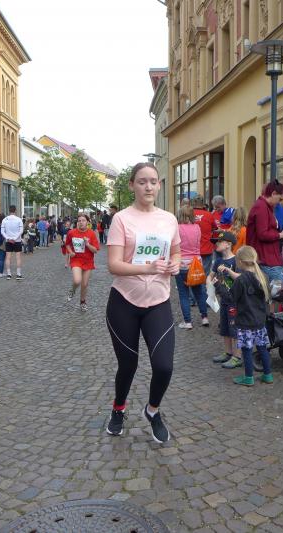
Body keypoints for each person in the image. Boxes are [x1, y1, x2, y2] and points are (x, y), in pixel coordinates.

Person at [104, 162, 180, 443]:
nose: (148, 187)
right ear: (132, 185)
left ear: (159, 185)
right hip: (124, 303)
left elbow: (176, 251)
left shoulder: (169, 219)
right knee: (128, 365)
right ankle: (118, 408)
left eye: (153, 181)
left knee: (164, 366)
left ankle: (152, 410)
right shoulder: (122, 219)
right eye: (142, 181)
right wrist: (148, 268)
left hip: (158, 301)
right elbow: (113, 265)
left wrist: (174, 264)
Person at [217, 245, 274, 386]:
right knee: (262, 349)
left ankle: (248, 378)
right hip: (260, 320)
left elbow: (231, 298)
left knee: (247, 350)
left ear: (240, 262)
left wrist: (219, 286)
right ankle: (268, 375)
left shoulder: (241, 280)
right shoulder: (263, 277)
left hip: (245, 321)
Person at [246, 181, 283, 289]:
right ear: (273, 193)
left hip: (268, 258)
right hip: (266, 259)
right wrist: (280, 235)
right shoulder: (261, 207)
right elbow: (262, 234)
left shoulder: (264, 206)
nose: (279, 203)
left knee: (275, 292)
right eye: (280, 199)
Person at [175, 205, 209, 330]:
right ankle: (204, 317)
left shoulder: (177, 228)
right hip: (196, 263)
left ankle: (187, 321)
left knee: (183, 293)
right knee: (199, 292)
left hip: (182, 264)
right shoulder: (197, 227)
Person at [209, 231, 239, 367]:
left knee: (235, 328)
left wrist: (228, 271)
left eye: (219, 242)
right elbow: (210, 276)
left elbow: (240, 278)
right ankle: (228, 352)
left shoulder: (236, 260)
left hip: (235, 300)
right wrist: (209, 285)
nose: (216, 244)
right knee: (225, 326)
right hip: (224, 299)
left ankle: (237, 356)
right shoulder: (218, 261)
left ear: (228, 244)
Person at [65, 213, 100, 311]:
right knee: (77, 280)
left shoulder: (91, 233)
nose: (81, 222)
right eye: (79, 221)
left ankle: (82, 302)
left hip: (88, 261)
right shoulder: (71, 233)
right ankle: (72, 290)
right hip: (76, 260)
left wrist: (87, 244)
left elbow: (95, 250)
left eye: (83, 220)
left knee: (84, 284)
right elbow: (67, 244)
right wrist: (71, 252)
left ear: (87, 222)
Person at [192, 196, 217, 275]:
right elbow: (215, 227)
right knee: (205, 274)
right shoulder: (209, 215)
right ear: (203, 204)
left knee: (192, 274)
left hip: (192, 249)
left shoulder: (189, 214)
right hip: (206, 248)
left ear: (194, 203)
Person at [1, 205, 24, 280]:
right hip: (17, 241)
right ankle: (18, 274)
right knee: (18, 257)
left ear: (9, 210)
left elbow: (2, 231)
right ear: (15, 210)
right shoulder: (19, 219)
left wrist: (8, 238)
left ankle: (9, 274)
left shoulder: (4, 220)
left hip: (8, 241)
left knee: (8, 257)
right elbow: (21, 231)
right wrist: (15, 238)